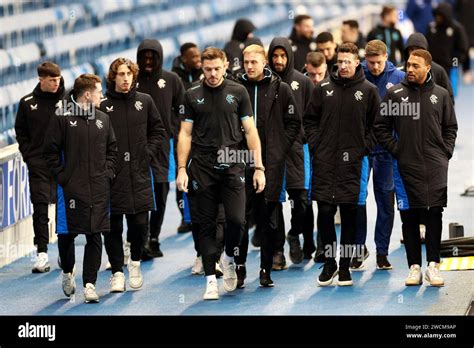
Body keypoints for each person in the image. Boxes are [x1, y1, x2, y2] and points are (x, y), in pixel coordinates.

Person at [176, 47, 265, 300]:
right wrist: (182, 168)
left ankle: (228, 256)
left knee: (237, 221)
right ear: (202, 69)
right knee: (205, 225)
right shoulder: (191, 95)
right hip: (202, 167)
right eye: (207, 70)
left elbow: (250, 132)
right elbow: (185, 134)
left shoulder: (239, 92)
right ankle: (210, 279)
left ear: (226, 65)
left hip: (234, 164)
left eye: (217, 69)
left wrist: (258, 167)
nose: (213, 74)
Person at [374, 49, 457, 287]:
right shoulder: (395, 95)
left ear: (427, 68)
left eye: (415, 66)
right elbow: (380, 127)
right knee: (409, 216)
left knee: (434, 214)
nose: (409, 69)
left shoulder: (440, 96)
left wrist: (445, 152)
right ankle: (414, 268)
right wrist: (397, 150)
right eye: (408, 65)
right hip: (404, 167)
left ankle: (433, 265)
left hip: (435, 165)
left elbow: (450, 127)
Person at [304, 42, 380, 287]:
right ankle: (329, 263)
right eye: (341, 61)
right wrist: (316, 146)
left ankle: (345, 266)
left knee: (349, 215)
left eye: (349, 61)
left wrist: (363, 148)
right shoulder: (323, 88)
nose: (344, 65)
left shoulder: (368, 91)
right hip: (325, 162)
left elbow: (377, 126)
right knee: (325, 214)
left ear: (358, 62)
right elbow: (310, 121)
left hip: (353, 164)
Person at [43, 73, 118, 303]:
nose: (102, 97)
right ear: (87, 95)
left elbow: (112, 151)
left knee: (95, 235)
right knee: (67, 235)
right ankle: (67, 271)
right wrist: (64, 177)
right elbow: (50, 152)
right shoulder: (61, 118)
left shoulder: (103, 119)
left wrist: (107, 174)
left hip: (98, 188)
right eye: (99, 92)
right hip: (69, 191)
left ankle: (89, 285)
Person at [235, 44, 300, 288]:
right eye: (246, 62)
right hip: (241, 162)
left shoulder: (280, 89)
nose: (249, 66)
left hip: (270, 163)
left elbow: (294, 121)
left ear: (264, 63)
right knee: (239, 218)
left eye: (254, 62)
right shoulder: (235, 88)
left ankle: (265, 270)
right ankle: (239, 268)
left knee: (267, 220)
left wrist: (279, 149)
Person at [100, 58, 164, 293]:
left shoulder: (145, 101)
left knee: (139, 224)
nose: (125, 78)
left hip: (138, 173)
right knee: (113, 227)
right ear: (113, 77)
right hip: (112, 176)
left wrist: (147, 153)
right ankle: (117, 272)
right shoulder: (103, 105)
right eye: (120, 74)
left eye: (129, 74)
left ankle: (135, 263)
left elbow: (158, 130)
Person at [351, 40, 405, 271]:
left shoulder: (399, 78)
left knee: (385, 201)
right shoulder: (357, 75)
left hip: (386, 150)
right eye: (370, 63)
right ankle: (357, 248)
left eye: (378, 62)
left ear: (387, 57)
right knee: (357, 200)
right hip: (361, 149)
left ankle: (382, 252)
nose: (374, 67)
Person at [136, 39, 186, 259]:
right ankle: (140, 240)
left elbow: (182, 109)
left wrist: (172, 130)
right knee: (139, 195)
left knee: (160, 192)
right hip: (136, 146)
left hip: (164, 147)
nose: (148, 61)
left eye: (152, 57)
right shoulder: (132, 79)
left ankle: (153, 238)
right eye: (144, 57)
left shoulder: (172, 80)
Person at [268, 37, 315, 268]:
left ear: (289, 56)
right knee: (274, 203)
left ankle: (295, 234)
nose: (278, 60)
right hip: (272, 154)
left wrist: (304, 137)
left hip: (297, 150)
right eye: (275, 56)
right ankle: (277, 250)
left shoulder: (302, 82)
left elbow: (312, 116)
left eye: (282, 56)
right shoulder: (264, 83)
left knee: (301, 201)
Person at [15, 62, 65, 273]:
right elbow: (21, 131)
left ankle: (65, 251)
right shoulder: (27, 103)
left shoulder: (67, 102)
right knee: (41, 207)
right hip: (38, 164)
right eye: (52, 80)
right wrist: (29, 155)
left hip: (62, 163)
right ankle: (42, 253)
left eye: (58, 79)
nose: (56, 83)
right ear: (41, 79)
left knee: (63, 209)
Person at [399, 33, 454, 104]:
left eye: (419, 49)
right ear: (407, 51)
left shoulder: (438, 71)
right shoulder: (398, 70)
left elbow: (449, 99)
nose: (415, 53)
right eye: (412, 49)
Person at [426, 2, 469, 78]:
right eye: (437, 15)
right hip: (433, 66)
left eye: (440, 16)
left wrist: (454, 64)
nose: (438, 18)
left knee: (450, 88)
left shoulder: (456, 28)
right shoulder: (431, 27)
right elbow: (426, 45)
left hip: (450, 67)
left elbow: (462, 48)